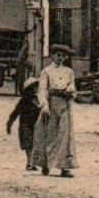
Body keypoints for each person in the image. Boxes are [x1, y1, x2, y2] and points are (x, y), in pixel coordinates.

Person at [32, 44, 78, 178]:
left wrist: (70, 90)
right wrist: (44, 105)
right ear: (53, 56)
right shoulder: (46, 71)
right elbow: (42, 90)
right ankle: (45, 164)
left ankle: (64, 167)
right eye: (58, 55)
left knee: (65, 135)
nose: (60, 58)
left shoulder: (69, 72)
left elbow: (72, 85)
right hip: (51, 104)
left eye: (63, 56)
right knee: (50, 135)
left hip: (65, 104)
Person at [7, 69, 41, 171]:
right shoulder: (24, 101)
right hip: (25, 125)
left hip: (35, 125)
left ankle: (32, 163)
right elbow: (15, 112)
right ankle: (29, 163)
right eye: (34, 87)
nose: (36, 89)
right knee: (28, 144)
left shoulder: (39, 99)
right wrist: (9, 124)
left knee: (34, 144)